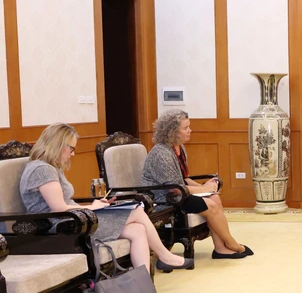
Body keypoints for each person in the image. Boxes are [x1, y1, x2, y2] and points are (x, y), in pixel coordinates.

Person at [20, 123, 192, 274]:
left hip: (75, 219)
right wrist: (91, 208)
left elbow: (64, 205)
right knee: (136, 210)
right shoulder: (42, 169)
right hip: (62, 227)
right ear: (58, 144)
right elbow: (58, 208)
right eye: (71, 148)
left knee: (138, 229)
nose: (72, 154)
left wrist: (91, 206)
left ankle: (144, 290)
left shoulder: (49, 167)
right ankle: (164, 256)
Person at [142, 109, 251, 259]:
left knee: (214, 198)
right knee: (210, 205)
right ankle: (232, 244)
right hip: (165, 199)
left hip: (179, 194)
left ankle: (220, 248)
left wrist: (205, 188)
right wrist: (203, 188)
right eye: (185, 128)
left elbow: (184, 179)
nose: (190, 131)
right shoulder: (161, 153)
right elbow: (175, 189)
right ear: (173, 131)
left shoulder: (179, 147)